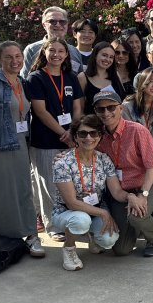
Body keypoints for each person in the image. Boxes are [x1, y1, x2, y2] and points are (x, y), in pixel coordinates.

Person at [0, 41, 42, 257]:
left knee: (23, 190)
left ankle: (30, 234)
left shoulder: (22, 82)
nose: (15, 61)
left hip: (20, 144)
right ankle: (6, 234)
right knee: (2, 193)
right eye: (9, 57)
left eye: (18, 56)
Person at [51, 115, 130, 271]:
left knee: (109, 240)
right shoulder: (63, 162)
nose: (89, 137)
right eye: (83, 134)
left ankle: (92, 237)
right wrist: (104, 213)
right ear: (75, 137)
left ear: (100, 136)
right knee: (81, 220)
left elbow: (116, 191)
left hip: (95, 210)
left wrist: (131, 197)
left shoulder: (103, 159)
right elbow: (71, 202)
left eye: (94, 133)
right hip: (68, 212)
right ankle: (69, 248)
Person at [25, 37, 84, 241]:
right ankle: (53, 226)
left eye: (61, 51)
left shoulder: (71, 77)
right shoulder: (36, 78)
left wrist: (73, 131)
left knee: (69, 184)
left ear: (67, 55)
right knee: (48, 185)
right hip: (46, 141)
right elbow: (40, 112)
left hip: (70, 140)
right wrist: (63, 133)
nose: (56, 54)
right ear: (44, 52)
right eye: (52, 50)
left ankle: (71, 221)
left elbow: (77, 107)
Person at [94, 91, 153, 257]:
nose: (106, 113)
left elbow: (152, 167)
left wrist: (143, 195)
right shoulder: (98, 136)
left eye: (111, 107)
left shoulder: (137, 131)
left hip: (147, 186)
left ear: (120, 108)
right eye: (100, 109)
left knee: (137, 216)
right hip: (120, 193)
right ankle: (138, 226)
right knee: (121, 249)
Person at [122, 67, 153, 226]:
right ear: (141, 84)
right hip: (132, 151)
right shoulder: (127, 106)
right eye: (150, 82)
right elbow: (126, 133)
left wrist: (149, 154)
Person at [21, 7, 83, 79]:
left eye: (62, 22)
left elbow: (79, 80)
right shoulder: (32, 50)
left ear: (67, 24)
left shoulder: (75, 52)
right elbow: (24, 79)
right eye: (52, 21)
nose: (58, 25)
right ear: (44, 25)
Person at [77, 42, 126, 114]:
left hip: (116, 122)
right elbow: (80, 108)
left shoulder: (116, 75)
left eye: (111, 57)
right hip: (93, 122)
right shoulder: (82, 77)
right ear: (95, 55)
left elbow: (123, 100)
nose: (107, 59)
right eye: (104, 55)